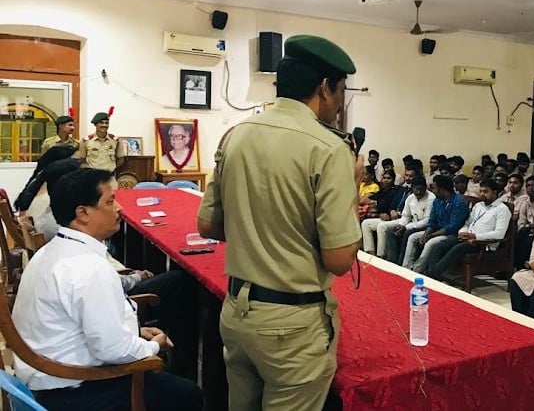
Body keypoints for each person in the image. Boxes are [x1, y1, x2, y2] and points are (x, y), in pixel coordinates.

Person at [197, 34, 362, 410]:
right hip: (292, 323)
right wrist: (352, 185)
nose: (339, 105)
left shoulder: (236, 135)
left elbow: (208, 227)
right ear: (323, 88)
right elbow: (339, 259)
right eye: (340, 92)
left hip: (238, 312)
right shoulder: (329, 149)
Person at [12, 168, 202, 411]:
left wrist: (135, 331)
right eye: (110, 202)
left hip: (46, 375)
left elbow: (88, 326)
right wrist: (155, 346)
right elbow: (113, 350)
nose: (119, 209)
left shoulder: (52, 252)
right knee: (187, 395)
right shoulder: (87, 267)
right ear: (83, 213)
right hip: (71, 389)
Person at [425, 179, 511, 280]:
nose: (482, 194)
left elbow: (499, 234)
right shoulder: (479, 205)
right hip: (467, 237)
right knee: (440, 245)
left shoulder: (502, 209)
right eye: (481, 191)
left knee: (457, 249)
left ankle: (432, 276)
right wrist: (463, 232)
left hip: (482, 244)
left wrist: (475, 236)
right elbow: (467, 223)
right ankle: (433, 274)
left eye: (486, 191)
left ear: (495, 192)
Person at [401, 175, 469, 273]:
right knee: (413, 237)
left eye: (434, 188)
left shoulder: (459, 202)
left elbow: (453, 226)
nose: (432, 190)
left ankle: (417, 270)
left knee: (430, 243)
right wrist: (426, 233)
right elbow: (432, 221)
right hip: (438, 231)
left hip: (452, 234)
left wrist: (431, 235)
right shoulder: (437, 201)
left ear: (442, 189)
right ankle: (406, 267)